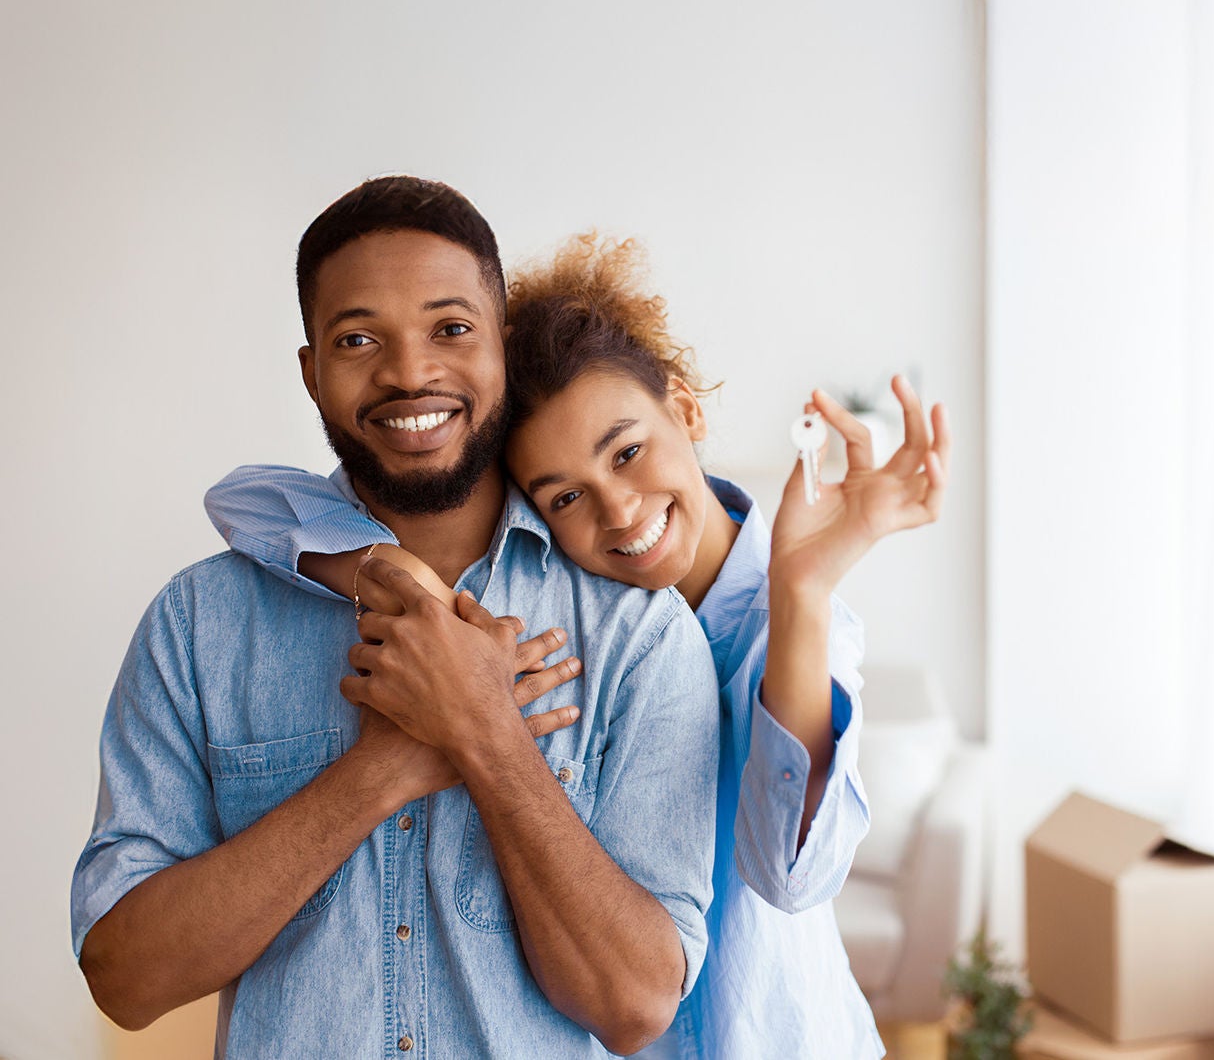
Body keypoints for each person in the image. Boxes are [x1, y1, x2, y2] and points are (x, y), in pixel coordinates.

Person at [204, 229, 949, 1057]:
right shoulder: (577, 612)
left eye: (628, 452)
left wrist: (804, 592)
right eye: (565, 497)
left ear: (686, 406)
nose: (621, 512)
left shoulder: (788, 622)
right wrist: (397, 574)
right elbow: (246, 500)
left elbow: (794, 875)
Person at [71, 177, 720, 1057]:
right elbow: (126, 980)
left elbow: (636, 1004)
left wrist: (485, 731)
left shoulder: (637, 635)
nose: (410, 372)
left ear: (501, 346)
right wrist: (385, 769)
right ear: (311, 371)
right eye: (358, 339)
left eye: (451, 329)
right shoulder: (199, 625)